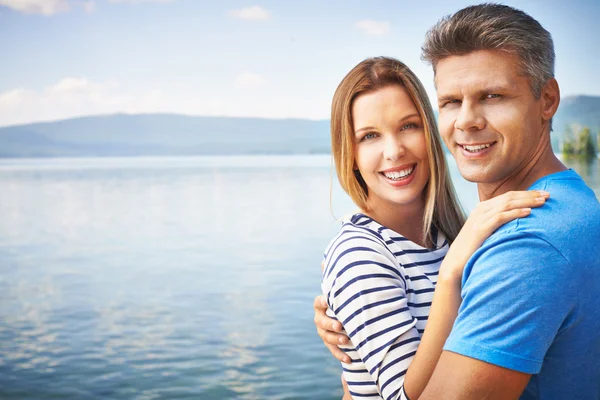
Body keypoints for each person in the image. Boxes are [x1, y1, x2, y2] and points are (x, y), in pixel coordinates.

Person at [315, 4, 600, 399]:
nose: (467, 121)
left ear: (547, 99)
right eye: (451, 101)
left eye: (492, 95)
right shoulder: (573, 205)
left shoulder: (523, 244)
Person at [320, 55, 549, 400]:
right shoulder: (359, 254)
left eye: (408, 126)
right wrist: (451, 274)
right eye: (369, 136)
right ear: (348, 153)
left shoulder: (447, 234)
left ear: (430, 131)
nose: (394, 151)